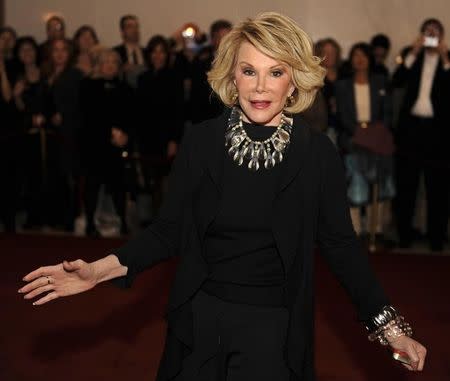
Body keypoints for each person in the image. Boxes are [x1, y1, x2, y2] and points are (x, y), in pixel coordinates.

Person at [19, 12, 426, 381]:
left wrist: (390, 328)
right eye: (249, 71)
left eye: (275, 72)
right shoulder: (201, 142)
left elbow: (340, 245)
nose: (260, 86)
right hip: (200, 320)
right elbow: (168, 231)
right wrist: (97, 271)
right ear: (233, 77)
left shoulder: (316, 153)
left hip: (274, 329)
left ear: (294, 80)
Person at [391, 18, 450, 251]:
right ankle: (404, 236)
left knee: (438, 190)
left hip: (439, 135)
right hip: (411, 132)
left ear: (442, 36)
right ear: (422, 34)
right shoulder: (411, 56)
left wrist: (445, 58)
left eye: (435, 33)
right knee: (407, 186)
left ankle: (436, 239)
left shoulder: (449, 59)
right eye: (428, 32)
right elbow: (396, 80)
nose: (431, 36)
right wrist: (413, 52)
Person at [335, 43, 395, 238]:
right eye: (355, 55)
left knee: (378, 179)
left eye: (363, 55)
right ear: (351, 60)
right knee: (355, 179)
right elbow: (343, 116)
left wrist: (373, 134)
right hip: (352, 137)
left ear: (369, 59)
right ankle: (355, 230)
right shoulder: (342, 85)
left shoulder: (380, 82)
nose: (359, 59)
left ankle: (375, 229)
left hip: (377, 137)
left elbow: (387, 113)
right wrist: (361, 134)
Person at [80, 48, 135, 237]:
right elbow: (88, 117)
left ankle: (123, 222)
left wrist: (125, 135)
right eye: (106, 61)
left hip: (118, 147)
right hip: (95, 145)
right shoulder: (88, 86)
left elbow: (132, 115)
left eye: (114, 62)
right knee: (92, 185)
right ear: (99, 65)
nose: (110, 65)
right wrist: (110, 132)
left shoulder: (125, 88)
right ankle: (89, 223)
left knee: (119, 185)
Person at [136, 35, 185, 220]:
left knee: (166, 184)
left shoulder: (174, 78)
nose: (158, 55)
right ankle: (149, 222)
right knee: (147, 183)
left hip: (166, 137)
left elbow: (178, 112)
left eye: (161, 52)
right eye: (154, 52)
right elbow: (138, 111)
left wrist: (174, 140)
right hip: (146, 137)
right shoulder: (142, 78)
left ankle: (166, 222)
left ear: (167, 55)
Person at [113, 14, 145, 87]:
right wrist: (121, 70)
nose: (135, 30)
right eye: (130, 27)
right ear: (122, 32)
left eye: (136, 26)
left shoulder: (147, 52)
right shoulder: (114, 52)